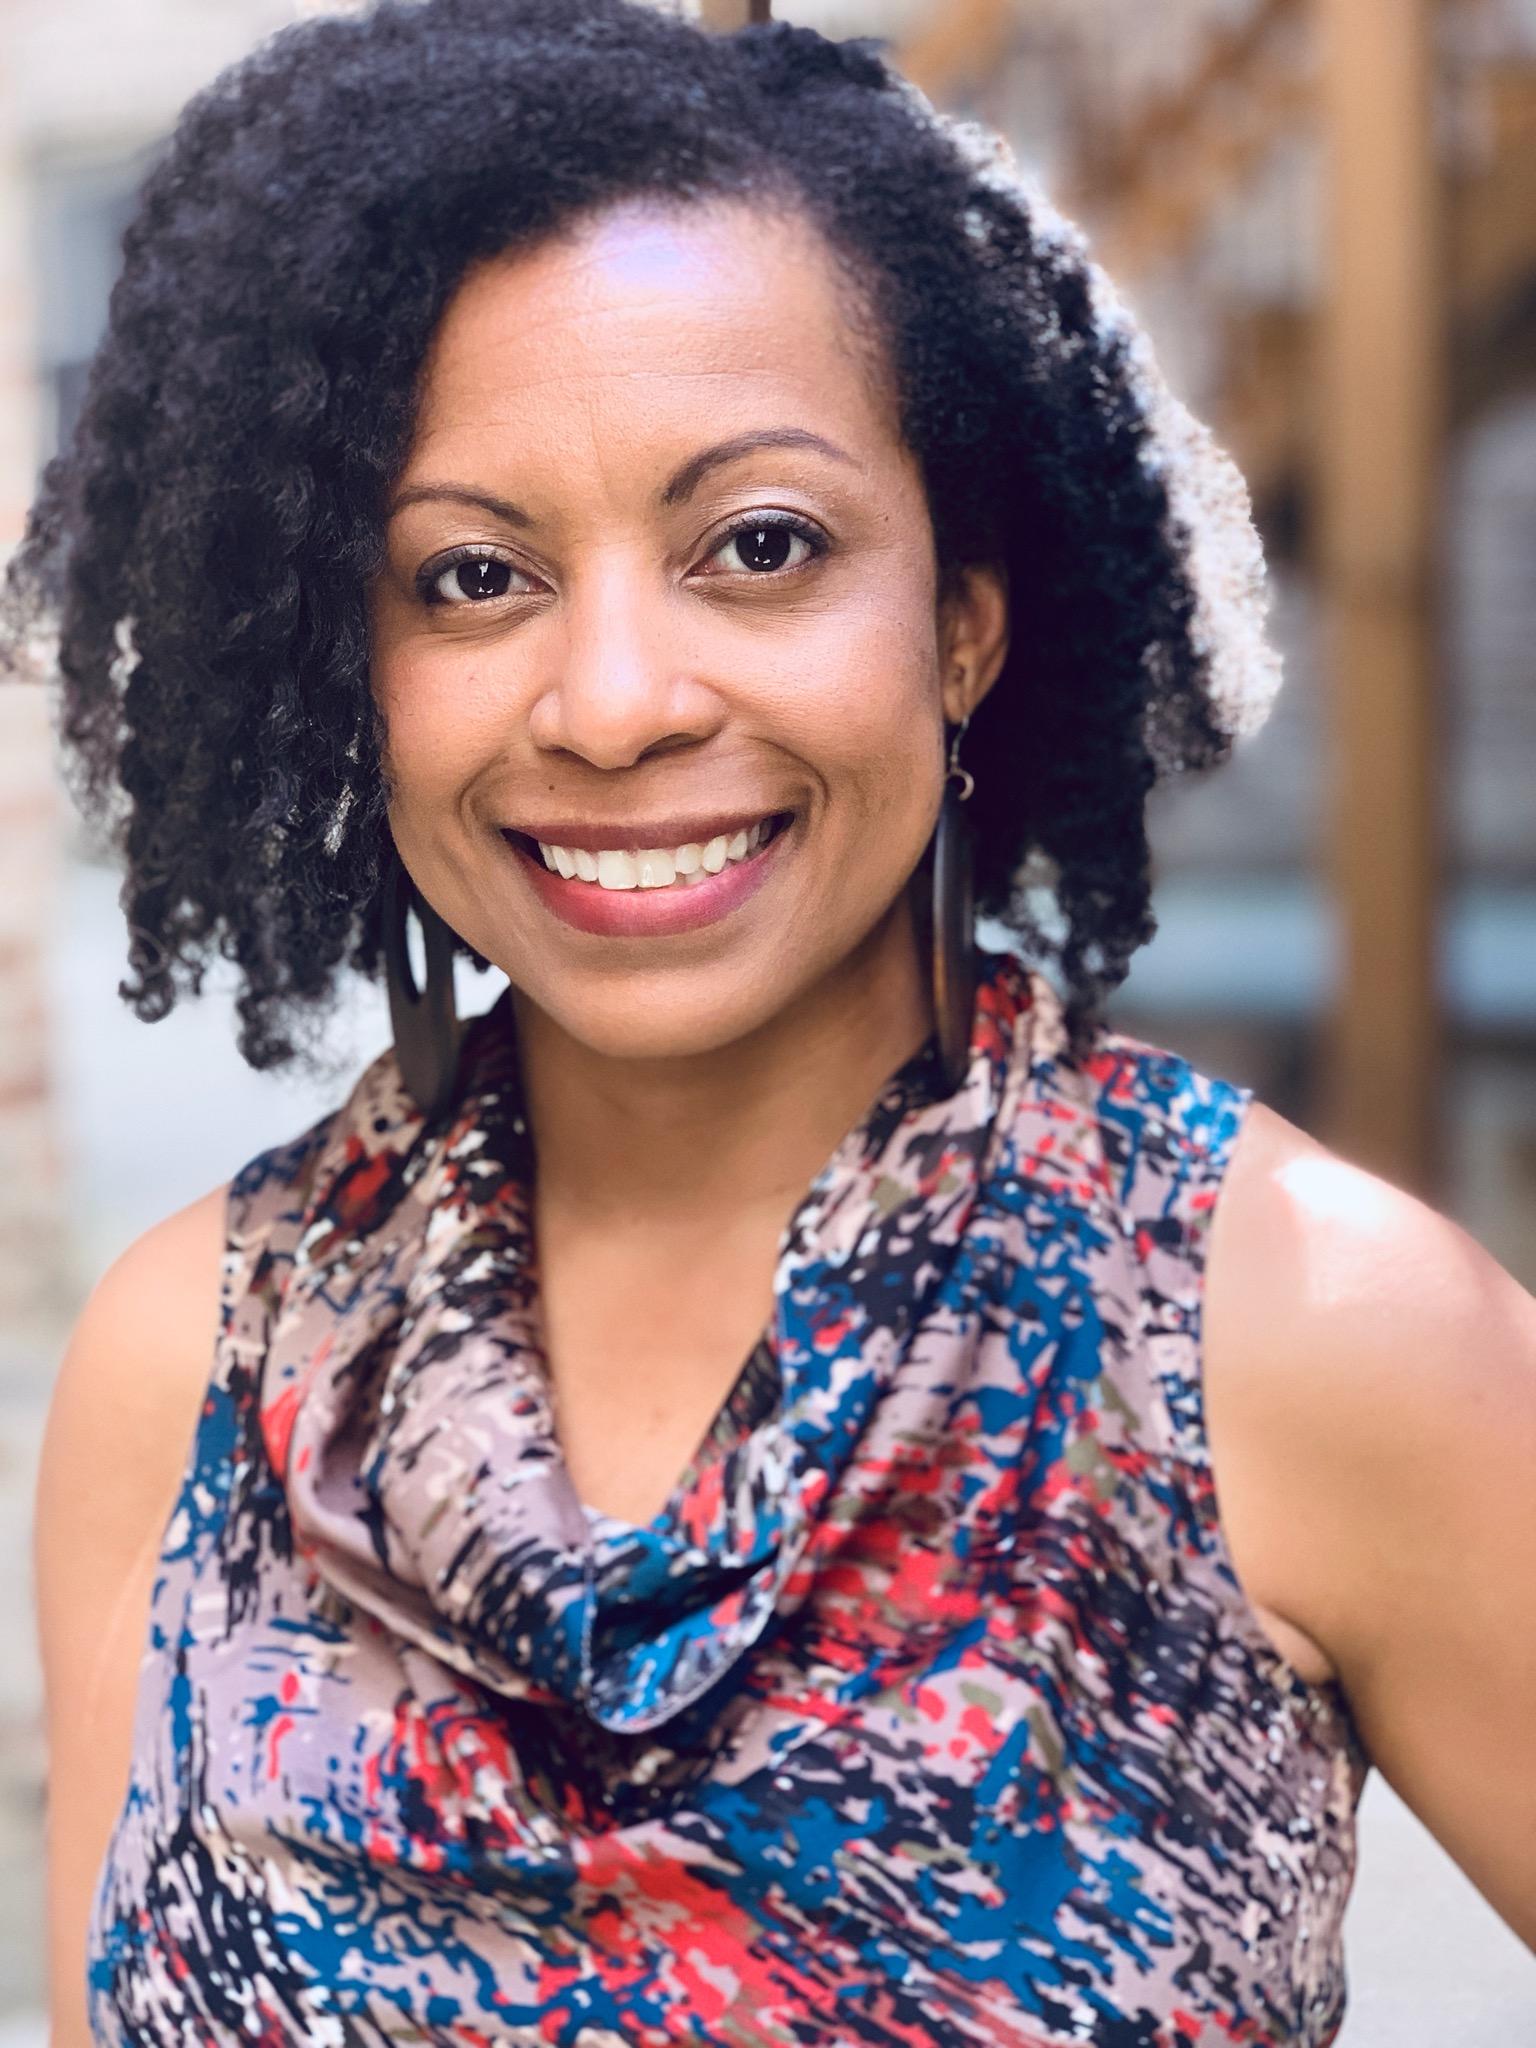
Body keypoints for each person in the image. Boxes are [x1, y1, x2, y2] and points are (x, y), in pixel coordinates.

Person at [7, 0, 1533, 2042]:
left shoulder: (1297, 1333)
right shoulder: (187, 1369)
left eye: (761, 546)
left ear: (961, 627)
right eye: (471, 577)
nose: (617, 697)